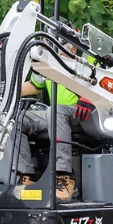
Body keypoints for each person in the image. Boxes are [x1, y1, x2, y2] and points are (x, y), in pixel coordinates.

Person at [9, 72, 95, 203]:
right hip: (54, 113)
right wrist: (6, 93)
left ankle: (64, 176)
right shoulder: (48, 58)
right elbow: (35, 85)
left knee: (55, 111)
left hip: (82, 112)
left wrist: (90, 97)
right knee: (14, 120)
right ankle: (27, 176)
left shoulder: (89, 58)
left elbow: (105, 83)